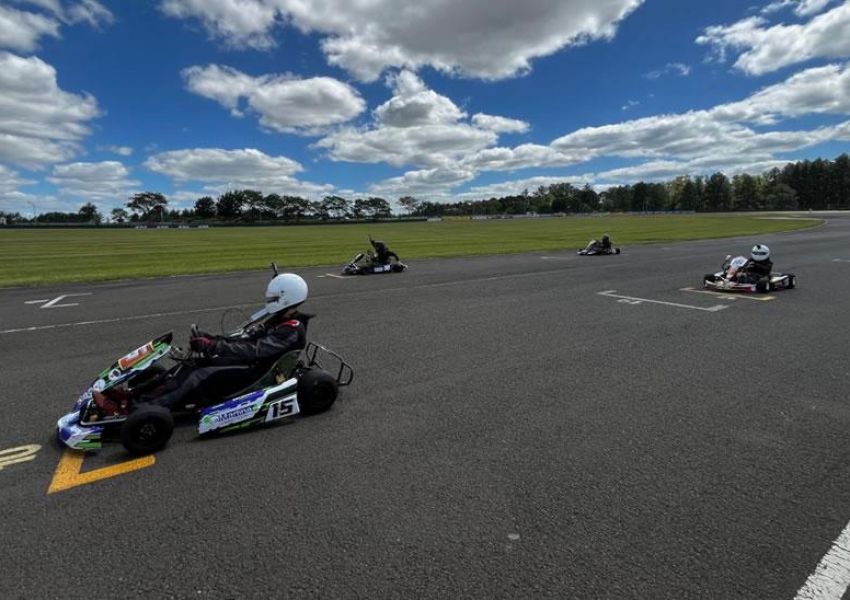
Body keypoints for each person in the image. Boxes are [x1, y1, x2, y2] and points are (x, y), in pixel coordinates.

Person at [97, 273, 312, 415]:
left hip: (258, 373)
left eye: (274, 298)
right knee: (190, 364)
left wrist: (212, 346)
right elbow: (243, 338)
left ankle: (133, 410)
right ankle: (132, 395)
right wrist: (210, 339)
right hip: (251, 364)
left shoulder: (291, 328)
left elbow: (254, 350)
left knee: (199, 374)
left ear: (287, 298)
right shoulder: (277, 319)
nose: (269, 301)